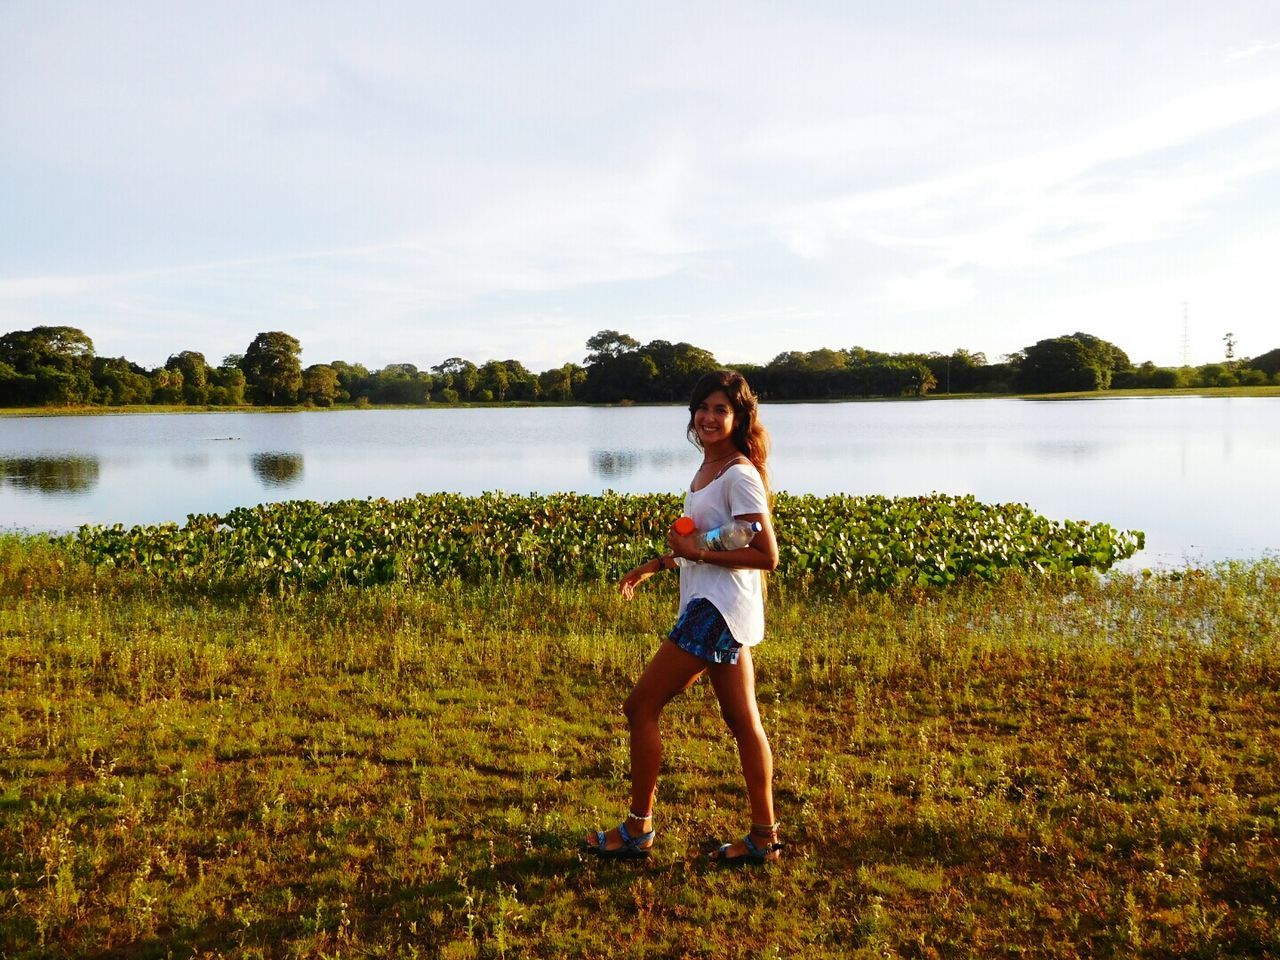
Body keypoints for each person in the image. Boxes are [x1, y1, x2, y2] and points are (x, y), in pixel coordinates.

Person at [584, 369, 782, 864]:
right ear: (693, 415)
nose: (711, 417)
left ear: (738, 419)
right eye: (704, 408)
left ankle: (638, 829)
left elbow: (765, 553)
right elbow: (714, 539)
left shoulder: (739, 472)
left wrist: (699, 549)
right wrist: (658, 564)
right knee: (744, 722)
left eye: (722, 410)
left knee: (640, 707)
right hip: (719, 608)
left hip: (713, 611)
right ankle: (763, 837)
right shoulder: (707, 470)